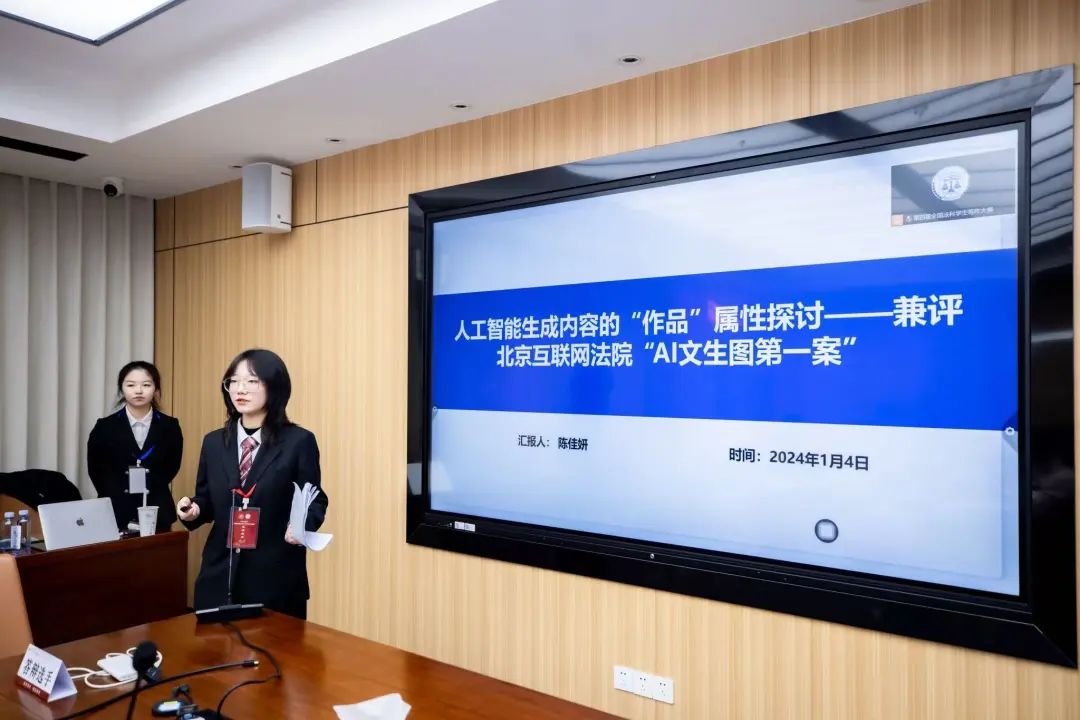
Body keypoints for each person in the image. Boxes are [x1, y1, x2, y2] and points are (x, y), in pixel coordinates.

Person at [177, 348, 328, 620]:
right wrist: (193, 509)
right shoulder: (213, 442)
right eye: (233, 381)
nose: (240, 389)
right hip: (219, 576)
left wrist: (301, 526)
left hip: (275, 579)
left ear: (275, 387)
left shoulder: (298, 441)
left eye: (251, 381)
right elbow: (206, 499)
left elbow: (315, 499)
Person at [87, 361, 184, 532]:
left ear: (156, 389)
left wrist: (149, 486)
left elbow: (171, 467)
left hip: (156, 509)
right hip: (115, 511)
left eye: (146, 385)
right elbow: (96, 471)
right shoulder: (104, 427)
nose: (138, 391)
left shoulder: (170, 426)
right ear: (122, 389)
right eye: (131, 385)